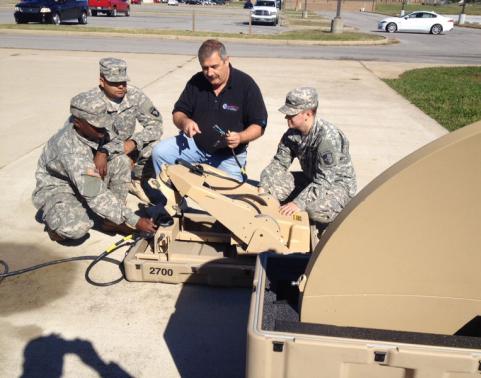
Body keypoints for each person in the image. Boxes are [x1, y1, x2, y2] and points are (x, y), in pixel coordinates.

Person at [32, 91, 157, 242]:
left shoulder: (97, 126)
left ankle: (111, 220)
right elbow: (94, 193)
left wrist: (103, 152)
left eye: (103, 124)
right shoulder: (70, 150)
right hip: (60, 187)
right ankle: (55, 222)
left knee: (121, 161)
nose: (103, 130)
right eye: (97, 127)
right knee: (76, 229)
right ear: (78, 123)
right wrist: (134, 220)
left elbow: (116, 143)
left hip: (85, 177)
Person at [151, 39, 268, 182]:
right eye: (205, 67)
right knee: (160, 153)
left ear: (226, 61)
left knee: (231, 201)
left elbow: (259, 125)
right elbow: (178, 113)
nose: (210, 73)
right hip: (194, 146)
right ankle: (171, 201)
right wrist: (185, 122)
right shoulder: (196, 81)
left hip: (229, 156)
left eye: (214, 66)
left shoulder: (246, 85)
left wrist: (240, 137)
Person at [259, 87, 357, 244]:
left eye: (292, 114)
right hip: (311, 179)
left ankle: (330, 231)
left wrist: (298, 203)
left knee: (314, 210)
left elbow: (325, 181)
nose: (286, 117)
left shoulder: (327, 138)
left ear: (308, 114)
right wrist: (264, 186)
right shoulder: (292, 134)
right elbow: (279, 162)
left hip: (337, 185)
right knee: (272, 186)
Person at [88, 57, 163, 203]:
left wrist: (134, 142)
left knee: (156, 146)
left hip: (127, 148)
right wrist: (112, 153)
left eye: (123, 82)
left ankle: (136, 180)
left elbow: (156, 125)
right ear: (102, 81)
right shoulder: (89, 102)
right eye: (115, 83)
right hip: (99, 154)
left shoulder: (135, 96)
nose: (121, 87)